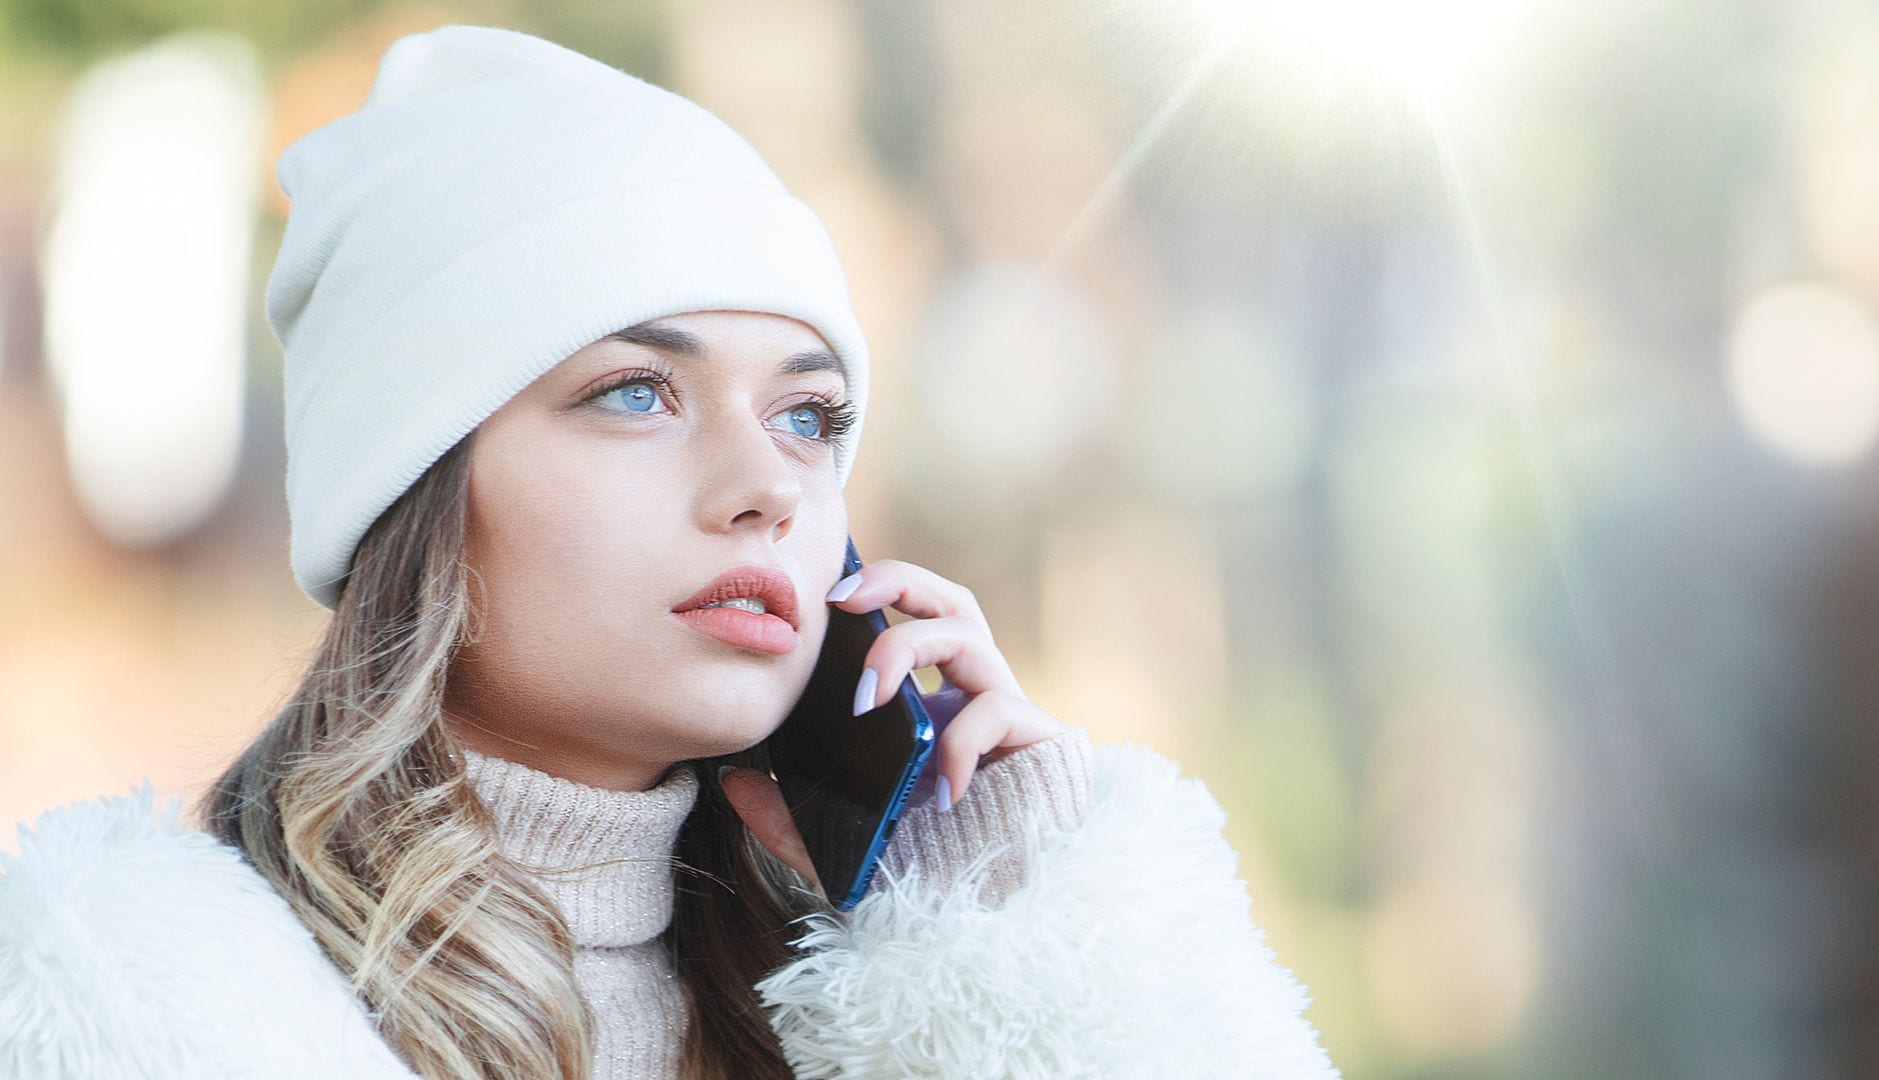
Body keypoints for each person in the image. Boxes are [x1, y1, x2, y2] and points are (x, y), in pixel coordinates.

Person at [0, 23, 1339, 1080]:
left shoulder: (877, 1015)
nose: (768, 485)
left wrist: (1018, 936)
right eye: (638, 392)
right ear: (412, 496)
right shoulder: (120, 1007)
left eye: (810, 417)